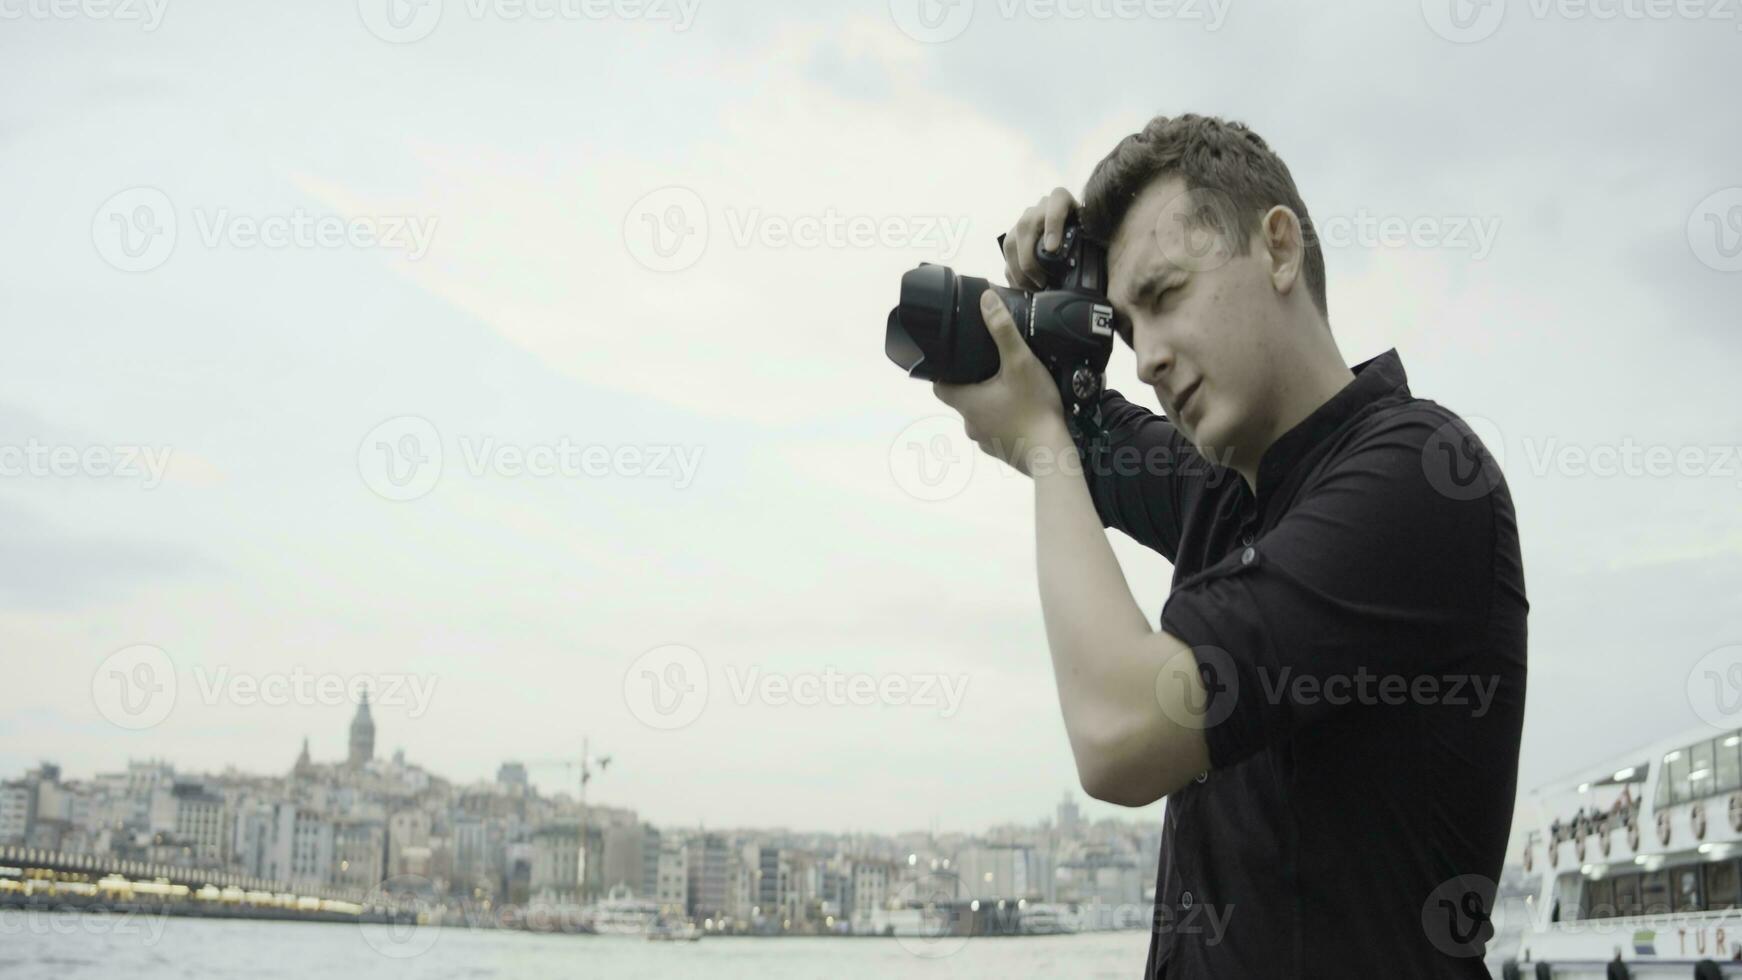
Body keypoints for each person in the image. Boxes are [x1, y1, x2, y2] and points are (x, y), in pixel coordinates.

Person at [931, 113, 1528, 978]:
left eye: (1167, 295)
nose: (1145, 360)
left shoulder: (1421, 480)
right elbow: (1055, 406)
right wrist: (1062, 287)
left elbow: (1120, 730)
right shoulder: (1225, 488)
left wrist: (1044, 445)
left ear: (1279, 248)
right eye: (1130, 328)